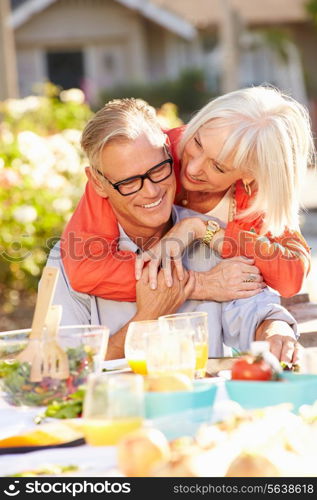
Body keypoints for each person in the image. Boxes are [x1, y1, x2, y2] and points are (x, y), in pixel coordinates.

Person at [49, 98, 299, 362]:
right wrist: (188, 290)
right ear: (98, 183)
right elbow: (67, 368)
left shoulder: (212, 235)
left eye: (158, 170)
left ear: (169, 153)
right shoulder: (70, 258)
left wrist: (275, 330)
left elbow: (257, 304)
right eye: (129, 182)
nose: (151, 190)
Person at [61, 88, 313, 303]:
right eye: (198, 142)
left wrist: (203, 230)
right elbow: (85, 267)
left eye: (218, 166)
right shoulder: (145, 158)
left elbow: (290, 276)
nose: (192, 168)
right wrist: (197, 284)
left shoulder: (253, 194)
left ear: (249, 175)